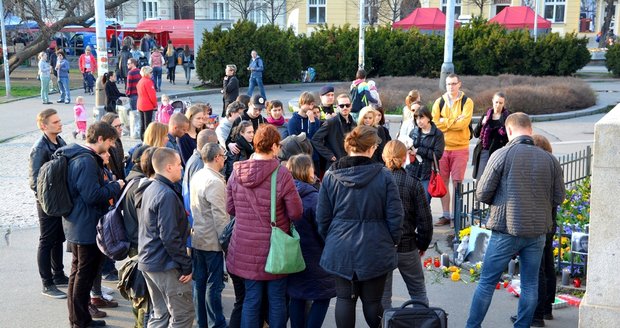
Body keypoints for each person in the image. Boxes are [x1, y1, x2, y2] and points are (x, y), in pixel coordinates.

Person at [465, 113, 566, 328]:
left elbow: (482, 193)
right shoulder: (550, 160)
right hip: (537, 231)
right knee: (530, 284)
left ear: (509, 131)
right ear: (530, 129)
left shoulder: (501, 155)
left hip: (506, 228)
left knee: (487, 282)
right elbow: (558, 197)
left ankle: (472, 326)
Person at [317, 125, 403, 328]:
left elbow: (322, 219)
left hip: (341, 246)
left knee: (345, 299)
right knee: (373, 302)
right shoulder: (384, 175)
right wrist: (391, 241)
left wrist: (331, 239)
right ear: (372, 147)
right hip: (375, 245)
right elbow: (395, 217)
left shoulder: (330, 176)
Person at [226, 124, 303, 328]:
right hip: (273, 248)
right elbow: (296, 212)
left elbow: (230, 208)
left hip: (243, 246)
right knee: (277, 300)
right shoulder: (282, 174)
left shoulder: (237, 171)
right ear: (275, 147)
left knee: (251, 299)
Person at [63, 122, 124, 328]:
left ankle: (79, 319)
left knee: (77, 274)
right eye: (110, 142)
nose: (111, 147)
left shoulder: (80, 156)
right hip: (85, 226)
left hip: (79, 223)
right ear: (100, 139)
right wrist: (115, 186)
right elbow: (92, 196)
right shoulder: (87, 161)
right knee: (83, 276)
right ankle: (80, 322)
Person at [139, 147, 194, 328]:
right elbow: (169, 237)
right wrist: (186, 265)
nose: (181, 168)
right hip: (165, 265)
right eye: (179, 165)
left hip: (151, 261)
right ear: (169, 167)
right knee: (182, 316)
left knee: (160, 315)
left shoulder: (153, 187)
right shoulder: (165, 194)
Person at [381, 140, 433, 309]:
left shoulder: (376, 182)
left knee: (384, 296)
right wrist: (423, 243)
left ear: (383, 157)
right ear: (404, 159)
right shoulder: (413, 183)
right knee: (418, 292)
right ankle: (422, 322)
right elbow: (425, 219)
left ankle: (385, 324)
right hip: (407, 244)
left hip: (383, 246)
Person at [286, 154, 336, 328]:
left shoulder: (284, 195)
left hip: (291, 256)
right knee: (323, 297)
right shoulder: (313, 197)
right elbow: (323, 228)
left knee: (297, 297)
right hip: (315, 257)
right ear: (307, 170)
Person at [29, 108, 69, 299]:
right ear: (44, 126)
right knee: (46, 240)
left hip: (59, 199)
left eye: (59, 121)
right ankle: (47, 283)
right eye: (55, 122)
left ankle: (58, 274)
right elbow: (35, 180)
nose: (60, 124)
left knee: (58, 238)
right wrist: (46, 201)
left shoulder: (60, 141)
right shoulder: (39, 148)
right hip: (47, 202)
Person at [189, 143, 230, 328]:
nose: (224, 159)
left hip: (198, 237)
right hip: (212, 241)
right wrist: (226, 243)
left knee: (200, 284)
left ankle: (203, 322)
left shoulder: (198, 175)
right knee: (213, 286)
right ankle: (217, 323)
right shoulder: (214, 181)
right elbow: (220, 216)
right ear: (216, 157)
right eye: (223, 155)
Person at [432, 73, 474, 227]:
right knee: (443, 183)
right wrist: (452, 121)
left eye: (454, 84)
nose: (451, 87)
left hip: (460, 148)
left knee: (457, 183)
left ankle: (456, 217)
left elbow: (463, 125)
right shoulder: (439, 102)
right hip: (442, 148)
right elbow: (435, 123)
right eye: (448, 84)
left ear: (459, 84)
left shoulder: (467, 102)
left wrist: (445, 122)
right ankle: (446, 215)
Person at [407, 107, 445, 203]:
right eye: (417, 118)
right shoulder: (414, 132)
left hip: (427, 174)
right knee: (410, 202)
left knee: (424, 203)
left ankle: (425, 218)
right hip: (412, 172)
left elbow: (437, 155)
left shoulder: (437, 134)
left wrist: (419, 150)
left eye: (421, 118)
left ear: (428, 118)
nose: (419, 121)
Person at [311, 94, 357, 170]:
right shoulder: (331, 122)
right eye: (342, 106)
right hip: (335, 165)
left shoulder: (354, 124)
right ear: (337, 107)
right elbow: (315, 139)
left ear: (351, 106)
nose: (345, 107)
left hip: (351, 164)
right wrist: (329, 155)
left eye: (347, 105)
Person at [472, 92, 510, 180]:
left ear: (504, 103)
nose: (498, 105)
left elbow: (509, 136)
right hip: (484, 151)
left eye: (501, 103)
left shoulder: (508, 117)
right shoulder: (486, 116)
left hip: (500, 153)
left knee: (496, 180)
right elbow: (476, 134)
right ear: (492, 101)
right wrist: (482, 124)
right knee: (481, 179)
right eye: (496, 102)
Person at [101, 113, 126, 181]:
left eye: (120, 125)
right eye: (116, 126)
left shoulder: (117, 141)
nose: (120, 129)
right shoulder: (103, 146)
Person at [137, 66, 157, 140]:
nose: (152, 74)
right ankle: (147, 139)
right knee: (147, 124)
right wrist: (155, 105)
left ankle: (142, 138)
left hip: (140, 104)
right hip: (147, 105)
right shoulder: (148, 82)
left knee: (142, 123)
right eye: (151, 72)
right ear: (147, 73)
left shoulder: (140, 81)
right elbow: (152, 96)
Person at [126, 58, 142, 139]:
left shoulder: (130, 73)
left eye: (128, 63)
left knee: (133, 114)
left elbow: (129, 85)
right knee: (138, 113)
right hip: (139, 95)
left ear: (133, 64)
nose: (127, 65)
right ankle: (139, 130)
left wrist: (127, 94)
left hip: (133, 95)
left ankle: (134, 132)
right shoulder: (139, 71)